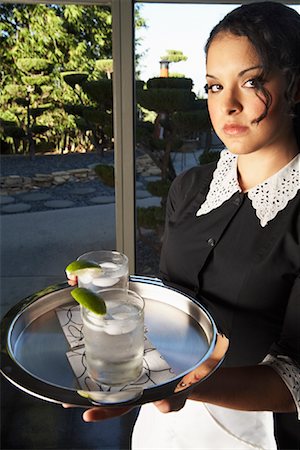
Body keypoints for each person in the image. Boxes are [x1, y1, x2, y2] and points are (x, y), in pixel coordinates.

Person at [65, 2, 300, 448]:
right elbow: (173, 297)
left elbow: (296, 378)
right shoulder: (191, 188)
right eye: (213, 86)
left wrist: (177, 387)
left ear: (295, 87)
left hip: (256, 432)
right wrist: (114, 296)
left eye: (251, 82)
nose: (227, 105)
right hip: (163, 423)